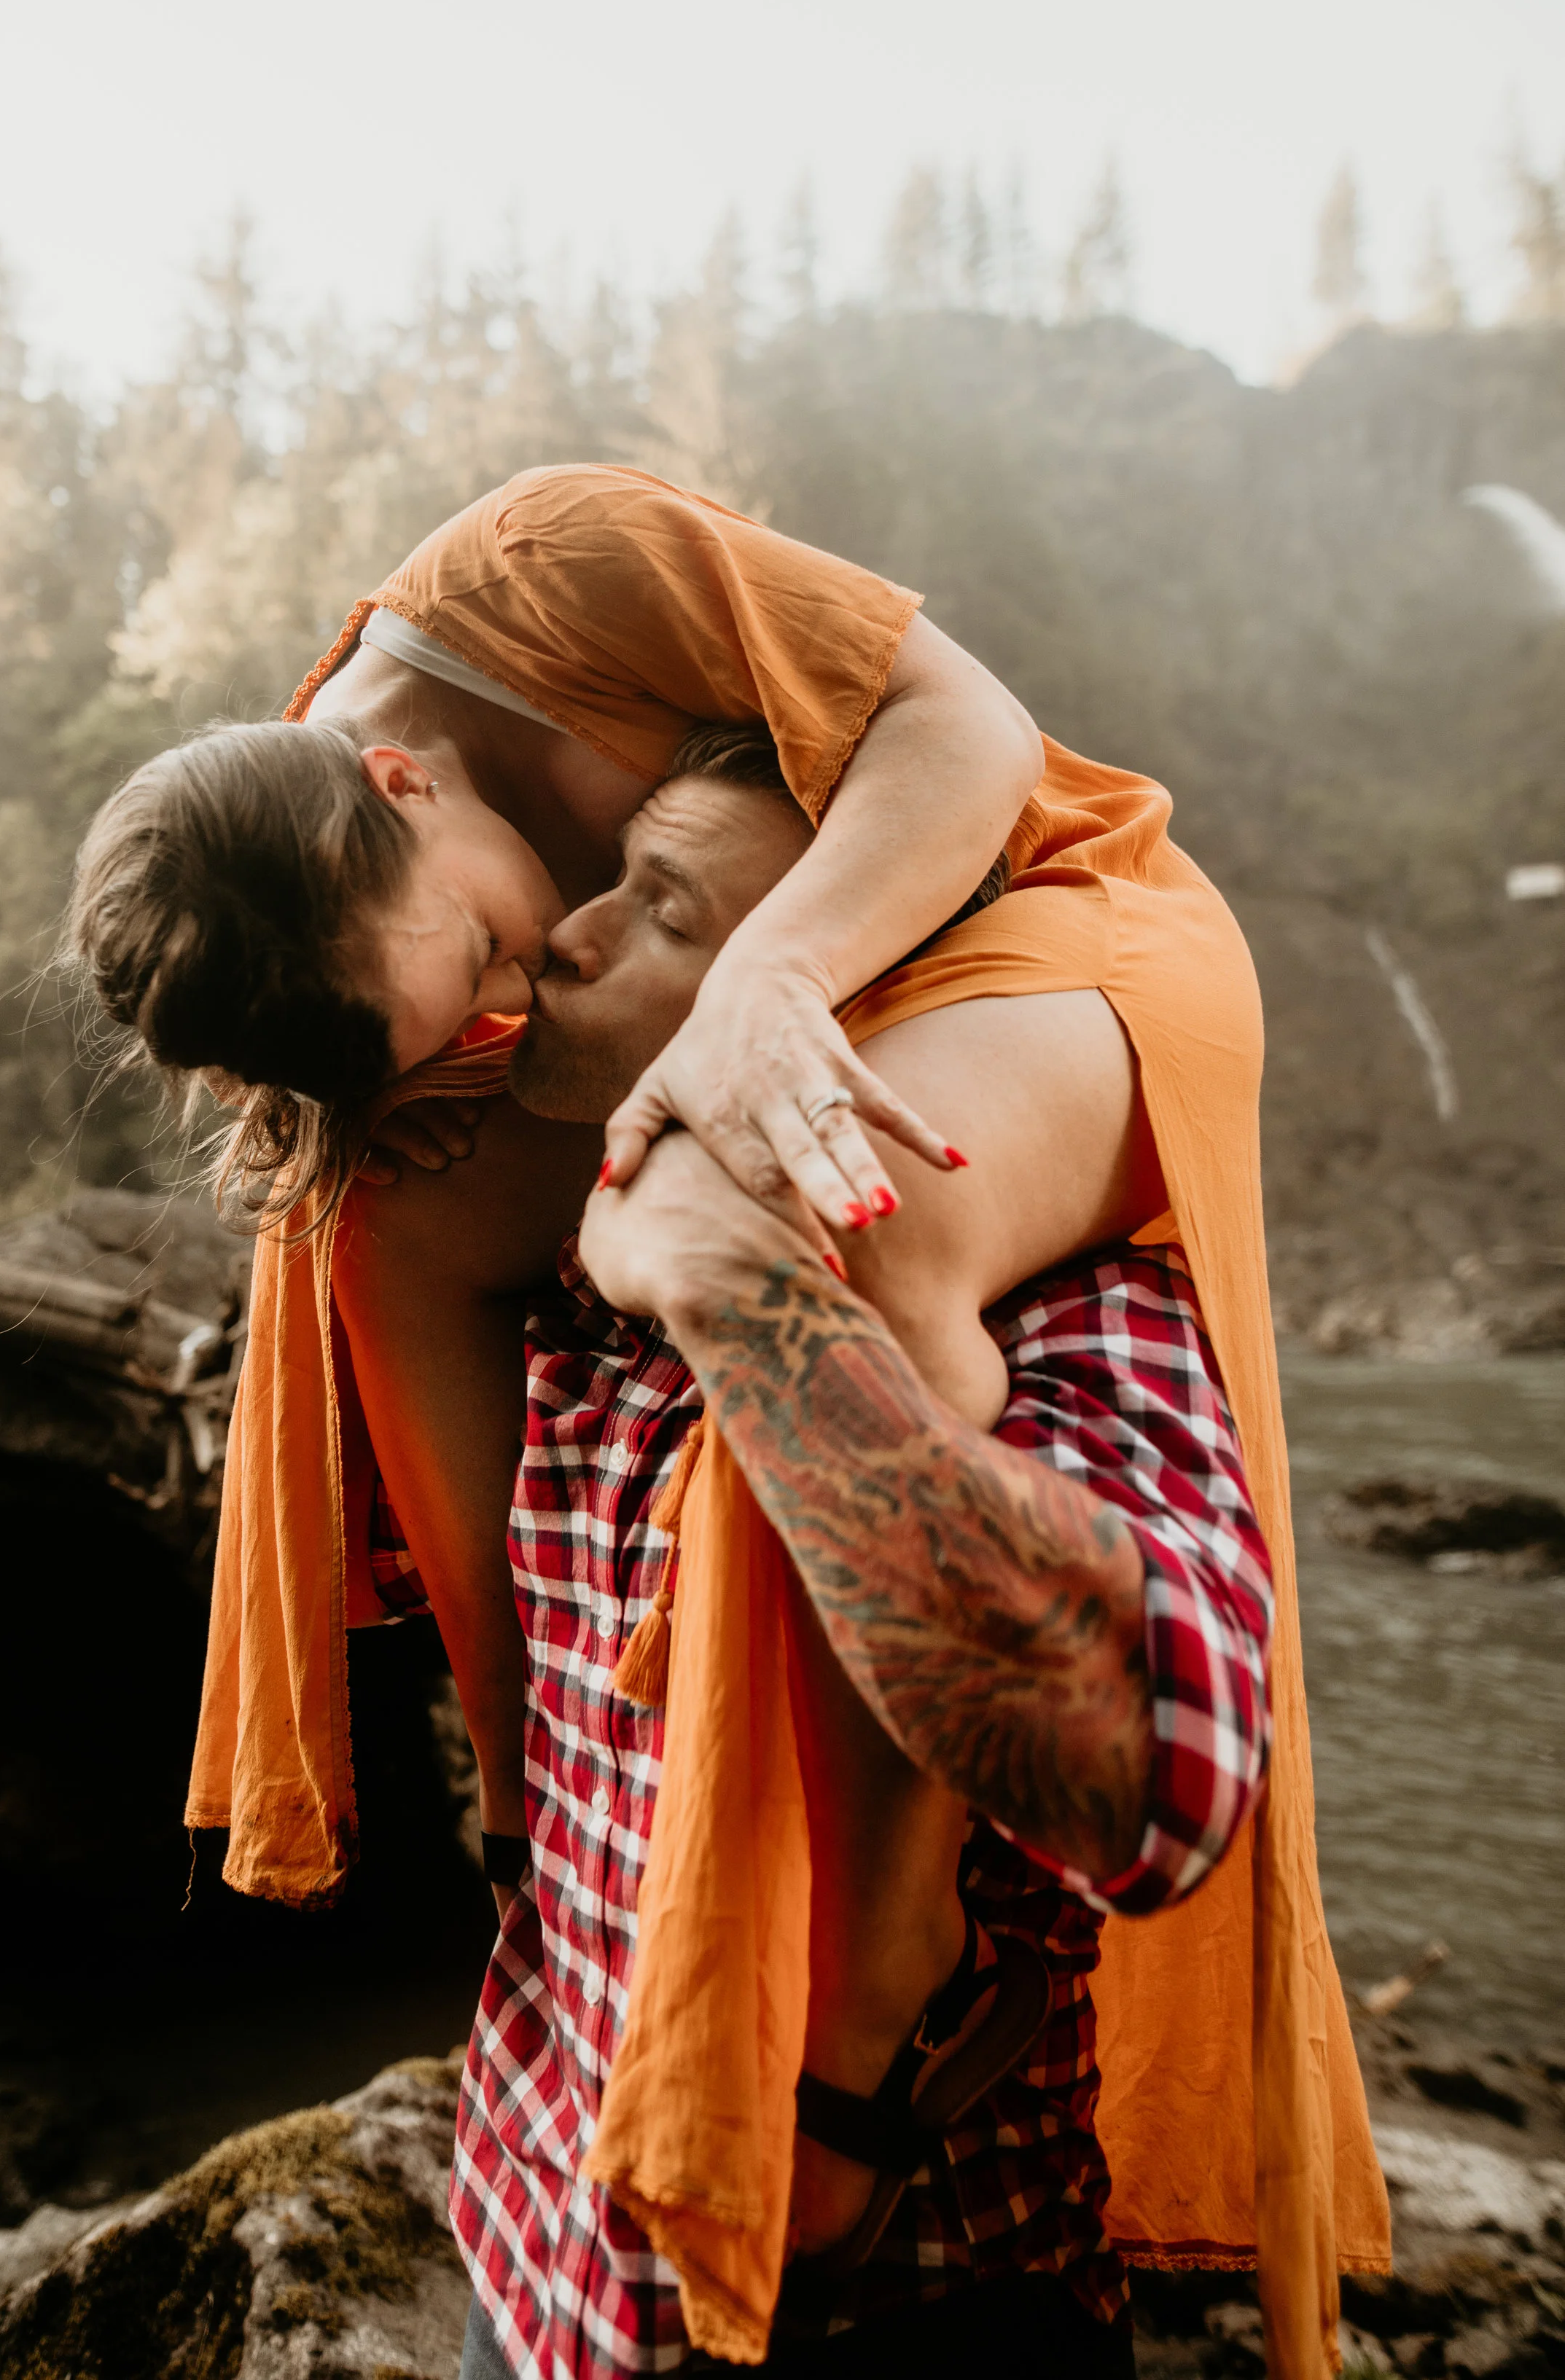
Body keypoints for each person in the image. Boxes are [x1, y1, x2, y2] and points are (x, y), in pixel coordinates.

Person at [69, 463, 1388, 2374]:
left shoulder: (549, 563)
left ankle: (875, 1975)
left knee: (802, 1206)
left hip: (1011, 923)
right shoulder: (347, 908)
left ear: (402, 782)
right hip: (706, 967)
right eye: (457, 1020)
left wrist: (754, 986)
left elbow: (966, 727)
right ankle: (529, 1815)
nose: (509, 1007)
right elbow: (444, 1080)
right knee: (376, 1207)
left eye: (495, 960)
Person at [449, 724, 1273, 2376]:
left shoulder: (1064, 1303)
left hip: (911, 2307)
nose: (574, 934)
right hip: (528, 2236)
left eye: (672, 917)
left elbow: (1144, 1781)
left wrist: (735, 1277)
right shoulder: (543, 1274)